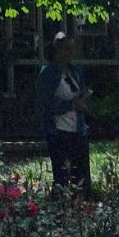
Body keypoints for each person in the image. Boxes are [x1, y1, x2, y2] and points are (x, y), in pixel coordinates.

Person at [36, 31, 91, 197]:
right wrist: (71, 105)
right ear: (57, 50)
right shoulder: (47, 73)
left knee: (81, 176)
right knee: (62, 176)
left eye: (73, 49)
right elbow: (46, 104)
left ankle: (81, 207)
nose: (71, 53)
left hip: (78, 130)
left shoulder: (75, 71)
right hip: (58, 131)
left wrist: (82, 102)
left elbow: (80, 93)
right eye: (67, 49)